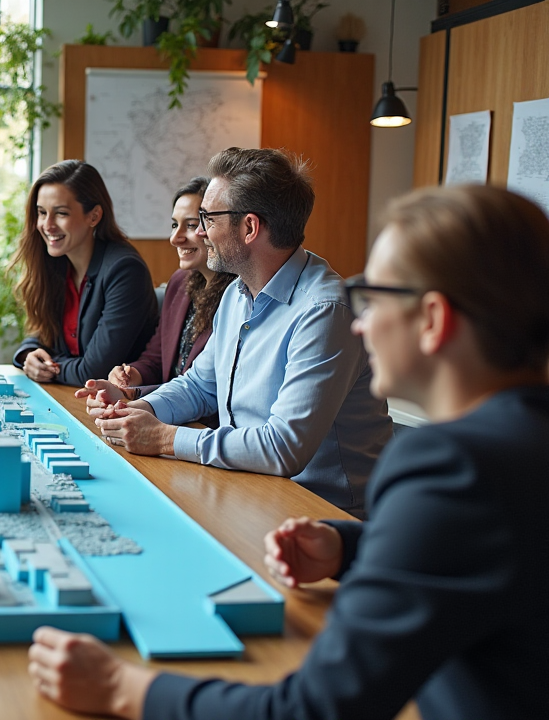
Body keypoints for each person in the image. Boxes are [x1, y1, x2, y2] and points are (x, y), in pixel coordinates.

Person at [28, 184, 549, 720]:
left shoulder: (454, 470)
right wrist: (351, 549)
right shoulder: (516, 445)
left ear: (434, 320)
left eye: (372, 296)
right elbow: (487, 551)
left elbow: (312, 709)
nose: (361, 321)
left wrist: (121, 687)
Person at [90, 148, 391, 516]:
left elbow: (284, 447)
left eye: (207, 218)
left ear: (249, 228)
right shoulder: (237, 292)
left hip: (326, 514)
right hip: (250, 489)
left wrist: (164, 437)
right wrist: (134, 410)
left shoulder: (325, 311)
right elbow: (200, 385)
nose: (200, 232)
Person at [75, 177, 234, 423]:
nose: (175, 238)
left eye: (191, 225)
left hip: (202, 428)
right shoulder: (180, 283)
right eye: (174, 225)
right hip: (165, 416)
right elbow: (157, 358)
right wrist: (130, 378)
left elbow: (202, 390)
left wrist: (135, 397)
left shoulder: (238, 297)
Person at [13, 160, 159, 386]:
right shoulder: (56, 262)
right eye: (42, 213)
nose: (47, 225)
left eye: (61, 213)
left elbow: (95, 370)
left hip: (118, 407)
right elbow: (42, 333)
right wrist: (29, 354)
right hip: (70, 396)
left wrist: (50, 367)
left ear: (94, 216)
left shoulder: (125, 270)